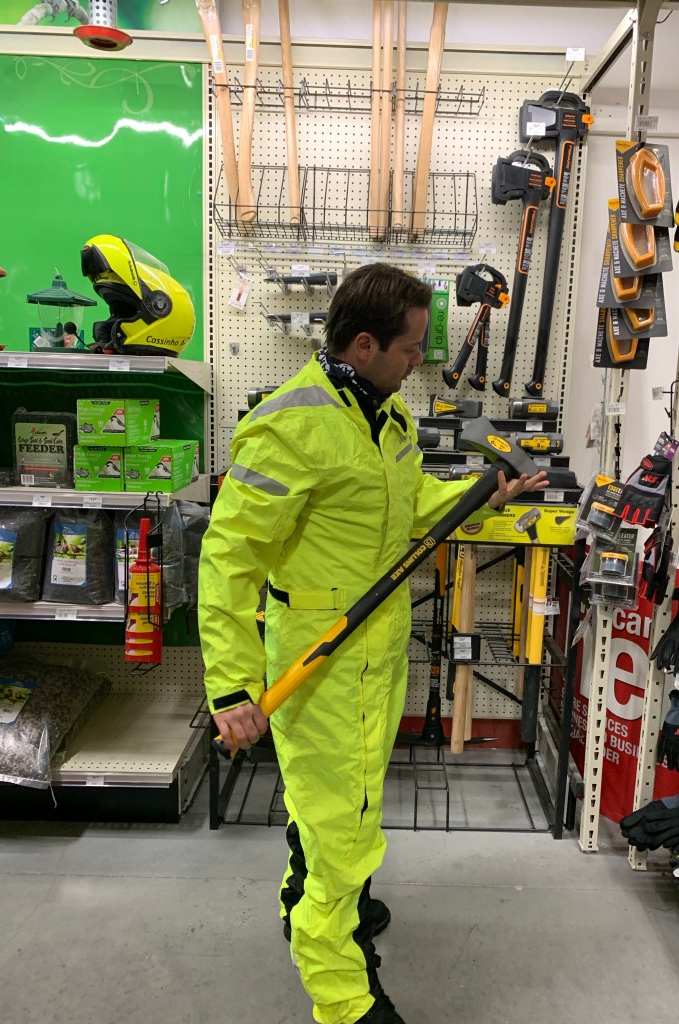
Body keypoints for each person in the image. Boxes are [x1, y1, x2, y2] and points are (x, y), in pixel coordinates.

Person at [198, 263, 548, 1024]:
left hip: (378, 648)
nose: (421, 359)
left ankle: (309, 894)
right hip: (321, 659)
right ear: (364, 345)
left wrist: (483, 493)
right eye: (411, 346)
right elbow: (228, 561)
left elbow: (408, 505)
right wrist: (230, 685)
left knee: (337, 802)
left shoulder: (388, 419)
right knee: (344, 825)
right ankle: (345, 997)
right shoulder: (289, 428)